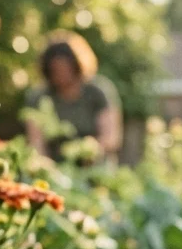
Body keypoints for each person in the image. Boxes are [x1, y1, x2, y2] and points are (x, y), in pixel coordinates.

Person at [24, 31, 123, 163]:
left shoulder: (98, 91)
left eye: (65, 68)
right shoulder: (39, 97)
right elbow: (36, 143)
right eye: (56, 70)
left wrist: (86, 150)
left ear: (76, 66)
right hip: (55, 167)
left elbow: (111, 138)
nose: (61, 75)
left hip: (95, 166)